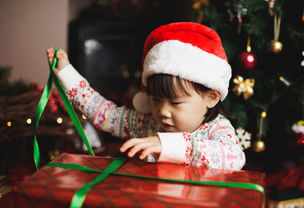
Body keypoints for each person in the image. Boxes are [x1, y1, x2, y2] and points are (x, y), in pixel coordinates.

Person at [47, 22, 245, 170]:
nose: (163, 112)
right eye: (156, 100)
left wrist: (167, 145)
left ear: (211, 97)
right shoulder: (146, 122)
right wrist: (67, 74)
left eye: (175, 102)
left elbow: (234, 158)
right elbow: (104, 113)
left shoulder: (217, 129)